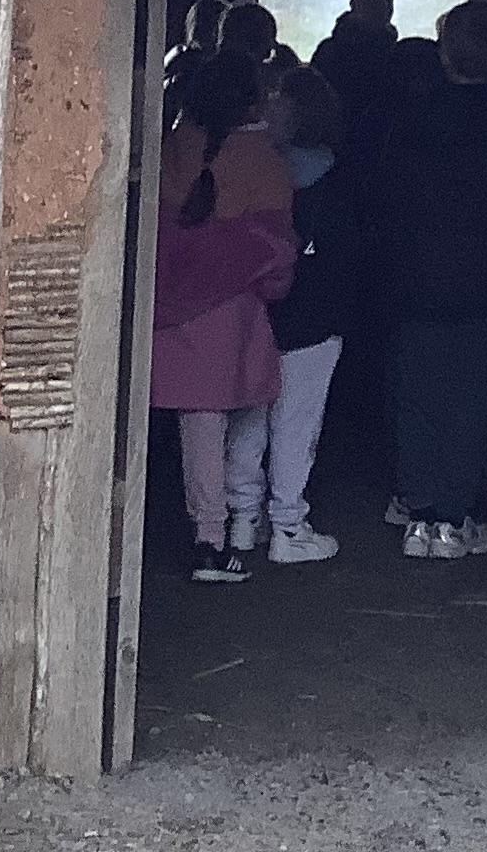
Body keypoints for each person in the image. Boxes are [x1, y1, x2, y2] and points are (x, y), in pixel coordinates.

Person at [364, 0, 487, 561]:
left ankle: (420, 512)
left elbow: (383, 197)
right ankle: (453, 516)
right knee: (469, 400)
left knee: (417, 395)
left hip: (414, 279)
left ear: (443, 50)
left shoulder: (412, 115)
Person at [150, 51, 294, 584]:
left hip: (172, 312)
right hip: (233, 312)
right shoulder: (264, 161)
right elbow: (276, 250)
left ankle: (207, 532)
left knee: (198, 425)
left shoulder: (173, 148)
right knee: (241, 418)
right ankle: (227, 532)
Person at [229, 68, 360, 565]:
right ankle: (288, 525)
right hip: (316, 317)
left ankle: (242, 520)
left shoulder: (256, 169)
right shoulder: (336, 179)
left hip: (256, 310)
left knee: (246, 416)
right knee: (296, 423)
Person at [308, 0, 402, 140]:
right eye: (373, 0)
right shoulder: (330, 53)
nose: (383, 7)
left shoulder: (398, 55)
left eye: (388, 0)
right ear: (354, 4)